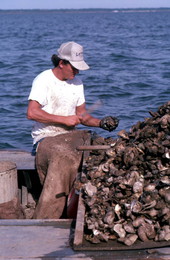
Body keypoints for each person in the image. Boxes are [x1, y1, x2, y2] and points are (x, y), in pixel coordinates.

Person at [27, 41, 119, 219]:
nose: (77, 72)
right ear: (62, 63)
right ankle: (47, 218)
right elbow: (32, 113)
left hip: (71, 137)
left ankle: (85, 212)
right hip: (46, 139)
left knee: (103, 152)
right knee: (64, 158)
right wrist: (63, 120)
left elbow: (82, 116)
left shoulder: (77, 83)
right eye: (74, 67)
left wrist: (101, 122)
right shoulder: (44, 80)